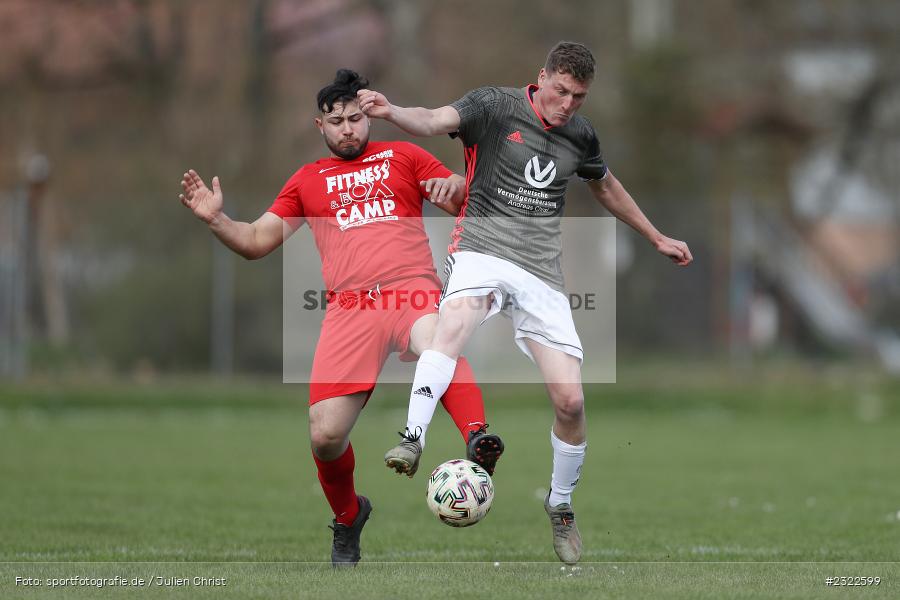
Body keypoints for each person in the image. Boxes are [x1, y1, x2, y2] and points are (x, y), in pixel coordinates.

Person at [358, 42, 692, 565]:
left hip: (540, 271)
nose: (567, 105)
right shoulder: (493, 106)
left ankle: (560, 507)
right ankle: (412, 437)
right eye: (560, 91)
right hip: (482, 248)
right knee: (456, 321)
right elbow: (433, 117)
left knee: (572, 403)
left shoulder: (581, 134)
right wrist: (393, 111)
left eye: (578, 97)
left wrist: (655, 236)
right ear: (542, 78)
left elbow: (606, 187)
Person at [178, 69, 504, 567]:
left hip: (409, 288)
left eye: (356, 118)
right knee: (325, 436)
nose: (349, 128)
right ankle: (349, 517)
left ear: (367, 116)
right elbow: (254, 242)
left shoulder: (403, 156)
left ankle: (478, 436)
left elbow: (463, 197)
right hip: (350, 309)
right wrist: (217, 219)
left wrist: (455, 190)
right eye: (337, 121)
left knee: (439, 337)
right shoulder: (308, 181)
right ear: (320, 126)